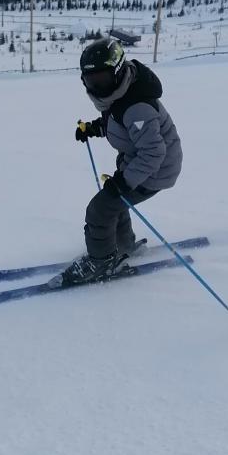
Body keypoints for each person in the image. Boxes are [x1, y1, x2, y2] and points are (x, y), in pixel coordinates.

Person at [61, 37, 182, 285]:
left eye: (102, 79)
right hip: (140, 164)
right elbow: (120, 123)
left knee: (100, 209)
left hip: (156, 170)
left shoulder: (136, 106)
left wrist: (124, 182)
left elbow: (153, 152)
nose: (97, 87)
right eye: (90, 81)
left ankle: (101, 262)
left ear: (117, 72)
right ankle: (122, 245)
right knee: (114, 203)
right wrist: (95, 128)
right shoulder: (121, 93)